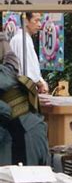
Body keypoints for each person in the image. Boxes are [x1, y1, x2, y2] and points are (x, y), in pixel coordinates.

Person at [0, 32, 48, 165]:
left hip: (18, 139)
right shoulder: (10, 74)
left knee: (21, 182)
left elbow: (5, 111)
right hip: (33, 131)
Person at [9, 12, 49, 93]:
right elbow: (28, 72)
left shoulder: (23, 39)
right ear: (26, 21)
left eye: (40, 21)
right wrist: (41, 83)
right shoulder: (22, 40)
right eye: (36, 21)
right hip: (22, 90)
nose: (39, 25)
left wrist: (41, 81)